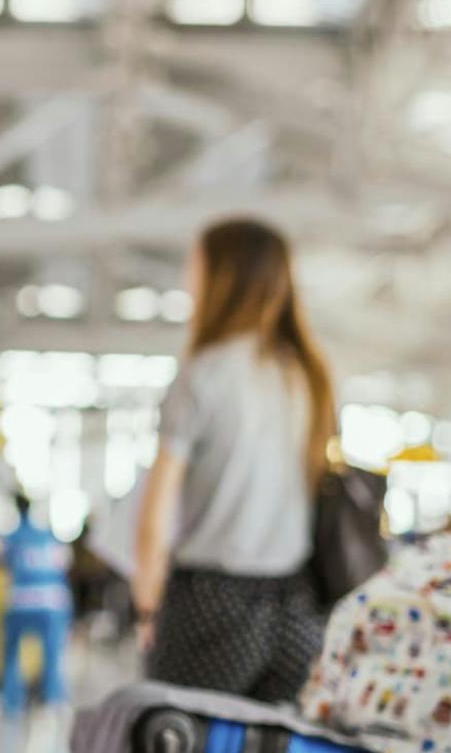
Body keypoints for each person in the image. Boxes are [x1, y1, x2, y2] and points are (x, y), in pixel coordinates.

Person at [133, 218, 336, 704]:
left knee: (176, 734)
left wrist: (145, 605)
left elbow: (155, 513)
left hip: (210, 605)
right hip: (296, 610)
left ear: (225, 277)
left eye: (195, 268)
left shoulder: (202, 375)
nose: (188, 281)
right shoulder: (307, 377)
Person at [0, 497, 72, 715]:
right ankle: (52, 699)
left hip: (20, 602)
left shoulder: (12, 537)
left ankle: (12, 702)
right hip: (51, 603)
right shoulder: (49, 537)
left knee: (11, 653)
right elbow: (64, 566)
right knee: (52, 653)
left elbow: (4, 562)